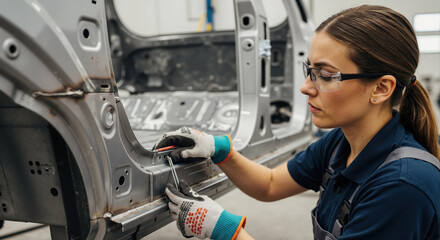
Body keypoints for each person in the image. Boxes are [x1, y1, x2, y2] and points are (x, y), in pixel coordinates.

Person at [154, 5, 440, 240]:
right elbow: (269, 184)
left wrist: (225, 231)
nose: (305, 87)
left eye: (326, 76)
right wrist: (220, 150)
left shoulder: (402, 187)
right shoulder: (341, 142)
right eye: (310, 70)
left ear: (380, 88)